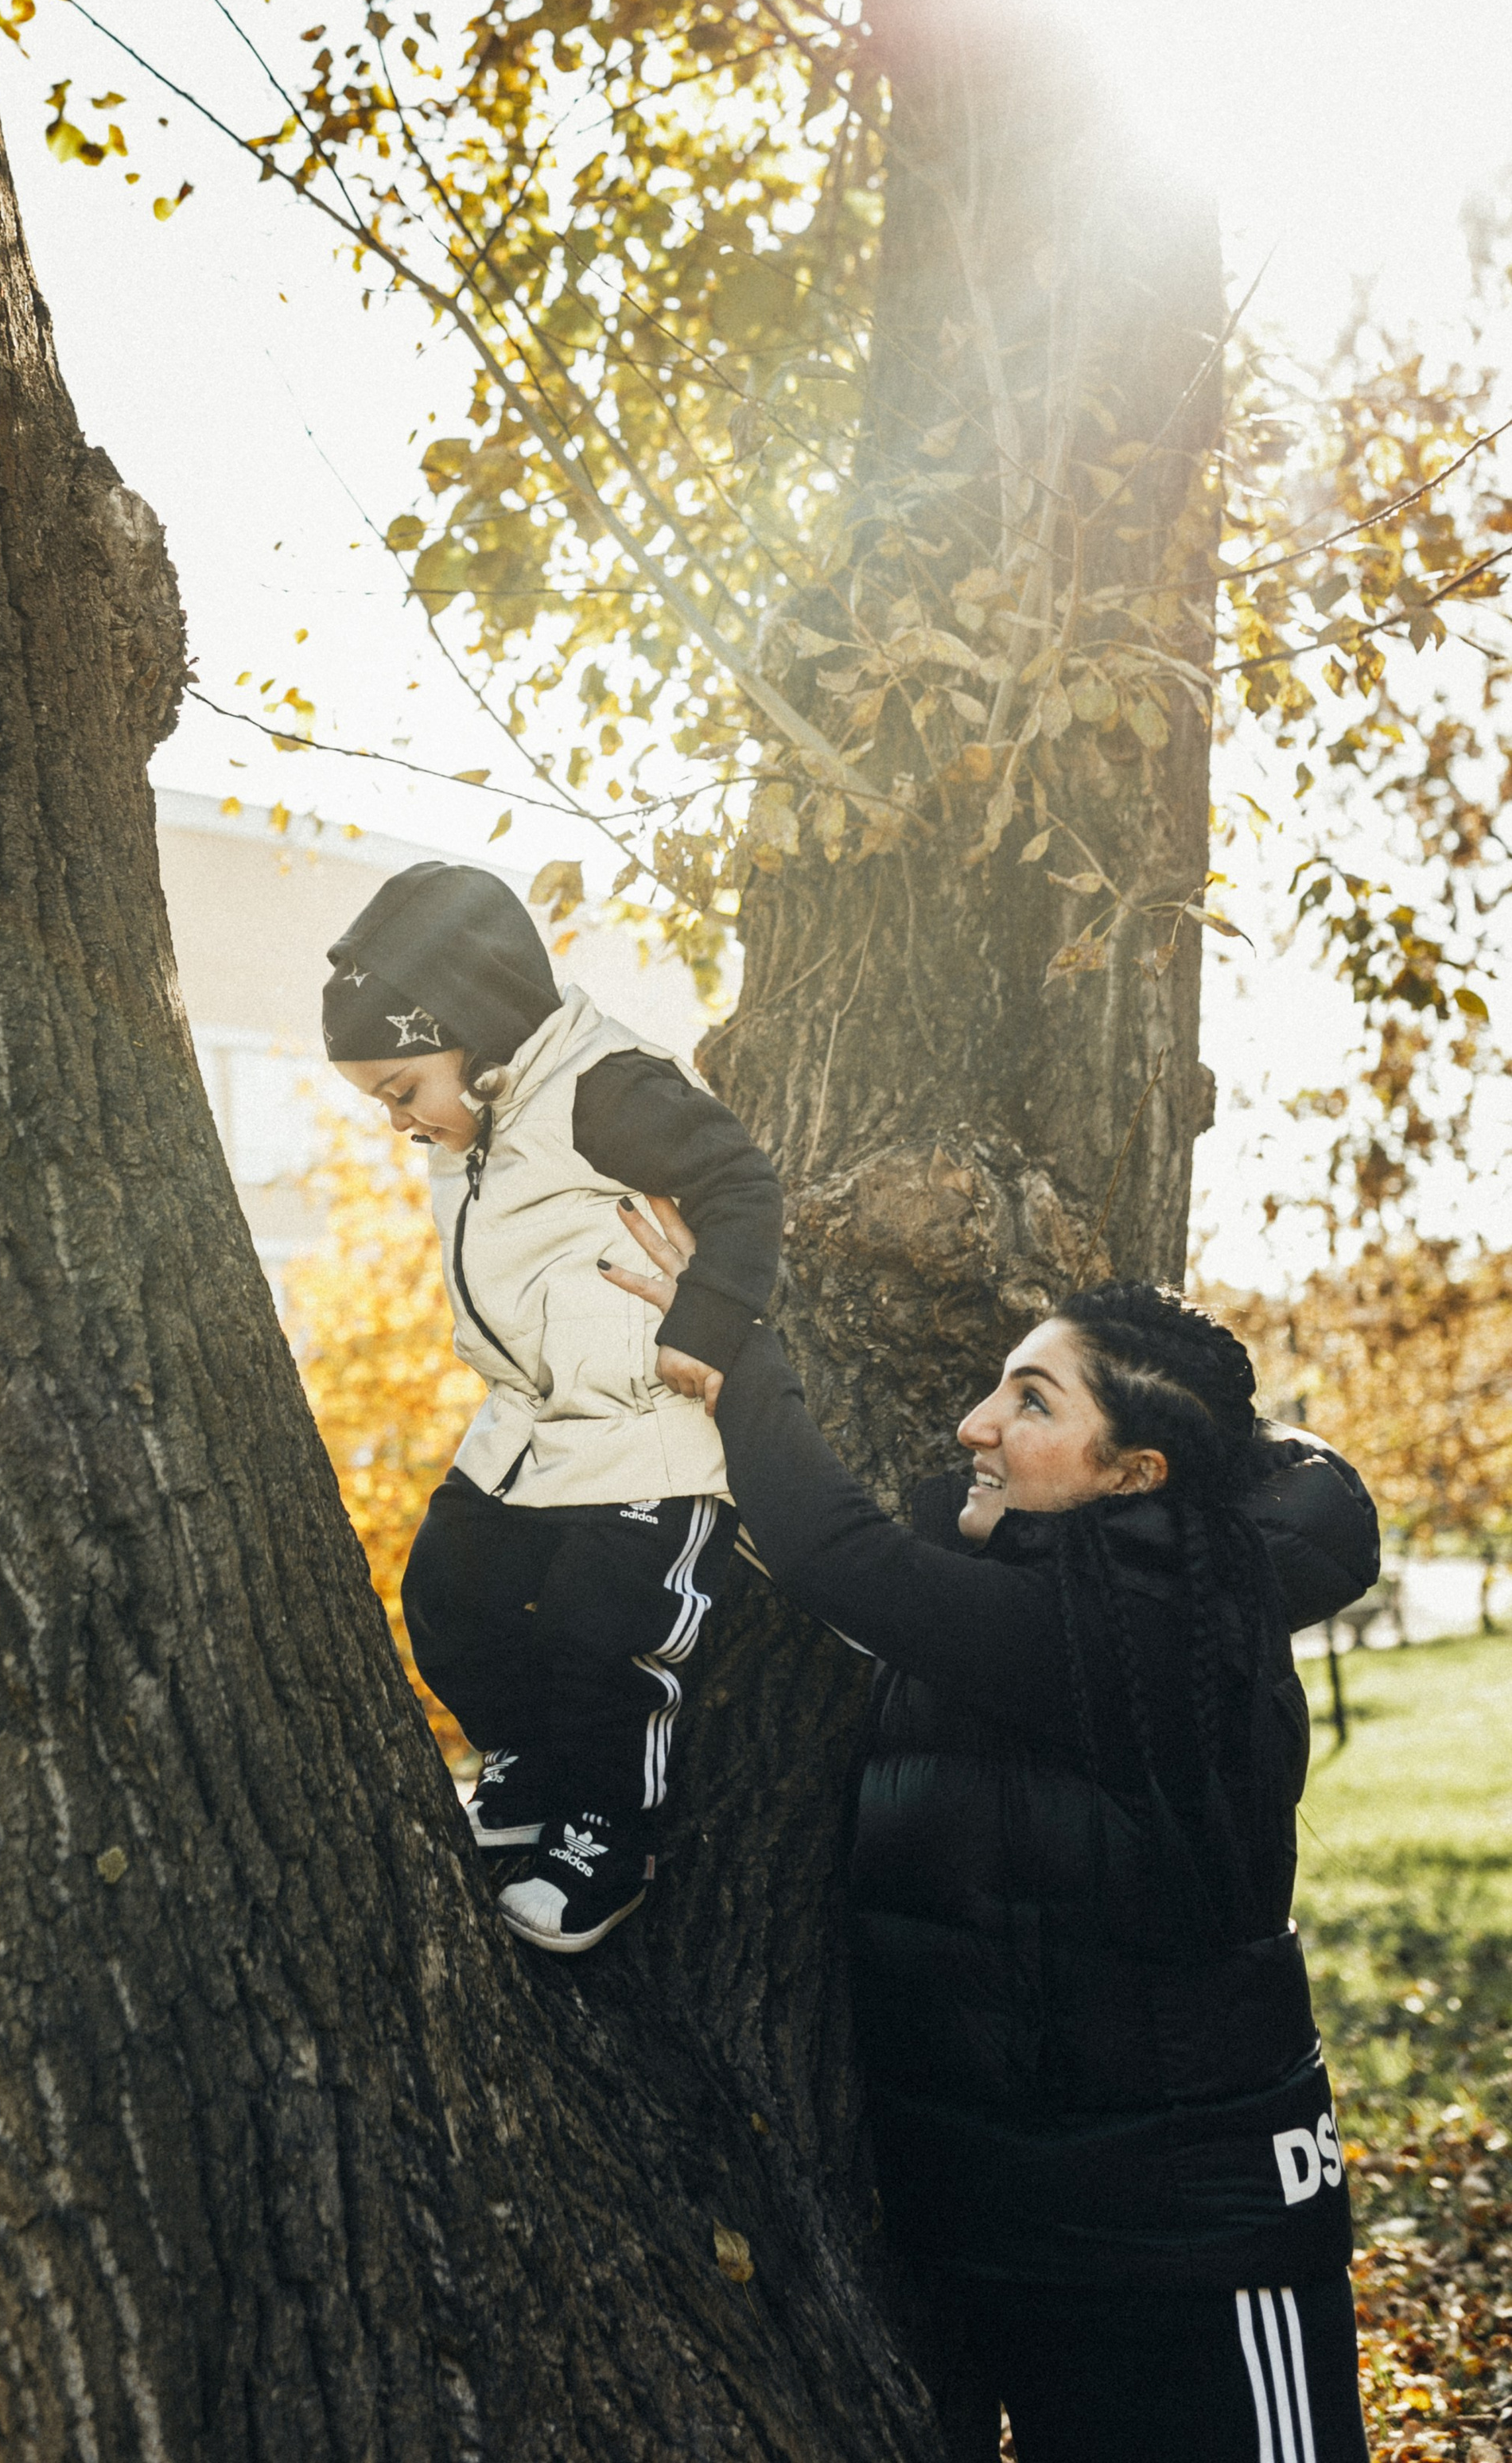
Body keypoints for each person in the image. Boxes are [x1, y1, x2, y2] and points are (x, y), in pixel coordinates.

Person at [604, 1205, 1377, 2463]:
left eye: (1031, 1400)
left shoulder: (1144, 1638)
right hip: (1029, 2240)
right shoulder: (1045, 1604)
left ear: (1136, 1474)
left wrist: (738, 1345)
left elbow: (841, 1554)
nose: (974, 1423)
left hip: (1198, 2250)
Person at [322, 859, 782, 1951]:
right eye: (380, 1101)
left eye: (402, 1089)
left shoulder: (602, 1086)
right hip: (527, 1430)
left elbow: (741, 1182)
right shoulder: (478, 1125)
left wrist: (707, 1321)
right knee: (449, 1594)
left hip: (650, 1431)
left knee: (602, 1637)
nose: (398, 1120)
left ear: (471, 1029)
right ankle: (524, 1766)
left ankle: (605, 1837)